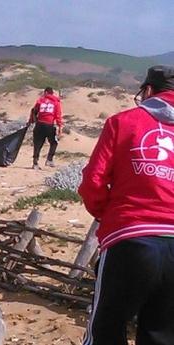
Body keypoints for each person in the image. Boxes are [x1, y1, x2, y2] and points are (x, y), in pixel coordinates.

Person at [79, 65, 174, 345]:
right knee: (162, 334)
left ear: (147, 91)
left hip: (132, 238)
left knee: (106, 330)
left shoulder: (123, 122)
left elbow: (92, 183)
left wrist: (109, 216)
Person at [28, 87, 63, 169]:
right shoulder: (56, 102)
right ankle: (49, 159)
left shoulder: (40, 101)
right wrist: (60, 127)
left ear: (46, 92)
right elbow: (58, 115)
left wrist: (31, 121)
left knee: (38, 144)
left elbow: (34, 111)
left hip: (39, 124)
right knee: (54, 143)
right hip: (49, 125)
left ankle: (35, 163)